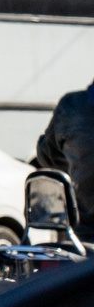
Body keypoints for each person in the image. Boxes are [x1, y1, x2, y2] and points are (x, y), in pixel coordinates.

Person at [34, 79, 94, 219]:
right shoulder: (72, 105)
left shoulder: (72, 105)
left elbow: (47, 155)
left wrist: (78, 167)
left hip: (81, 221)